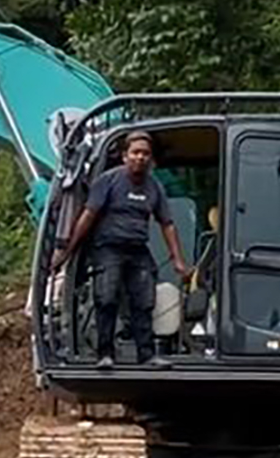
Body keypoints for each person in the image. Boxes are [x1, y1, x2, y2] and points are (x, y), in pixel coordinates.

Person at [52, 131, 189, 368]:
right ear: (125, 156)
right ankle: (105, 354)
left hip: (137, 248)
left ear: (150, 158)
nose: (140, 158)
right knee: (106, 298)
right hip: (108, 248)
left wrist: (178, 260)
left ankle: (147, 355)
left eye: (145, 154)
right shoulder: (108, 181)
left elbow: (167, 224)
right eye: (135, 153)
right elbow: (88, 215)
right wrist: (67, 248)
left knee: (145, 299)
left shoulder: (154, 187)